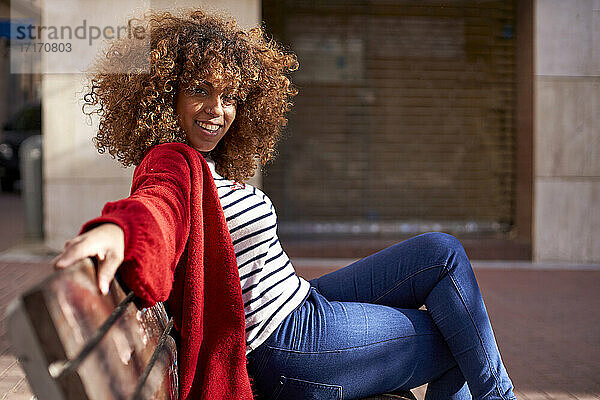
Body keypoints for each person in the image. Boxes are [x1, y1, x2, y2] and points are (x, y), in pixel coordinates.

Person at [54, 9, 517, 400]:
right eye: (200, 89)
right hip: (283, 343)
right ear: (165, 94)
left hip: (302, 301)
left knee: (441, 253)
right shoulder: (172, 163)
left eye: (231, 96)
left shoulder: (206, 164)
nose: (218, 109)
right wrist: (119, 231)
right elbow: (157, 209)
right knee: (456, 336)